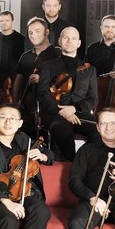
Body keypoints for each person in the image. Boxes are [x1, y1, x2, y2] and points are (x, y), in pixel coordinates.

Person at [37, 26, 100, 162]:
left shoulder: (89, 69)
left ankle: (85, 161)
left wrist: (74, 109)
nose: (69, 41)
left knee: (98, 134)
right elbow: (42, 94)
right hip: (55, 112)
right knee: (62, 130)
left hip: (80, 113)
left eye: (73, 38)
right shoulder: (48, 65)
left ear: (79, 43)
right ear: (59, 41)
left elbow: (93, 99)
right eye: (65, 37)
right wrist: (62, 111)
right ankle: (72, 164)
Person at [12, 17, 61, 139]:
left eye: (38, 31)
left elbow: (63, 82)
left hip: (49, 109)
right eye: (30, 32)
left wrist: (43, 80)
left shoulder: (57, 54)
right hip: (26, 109)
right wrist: (15, 104)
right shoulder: (25, 55)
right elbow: (18, 81)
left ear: (47, 32)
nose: (33, 35)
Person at [0, 11, 25, 93]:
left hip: (16, 79)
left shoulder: (22, 39)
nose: (4, 23)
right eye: (1, 21)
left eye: (7, 20)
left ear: (12, 21)